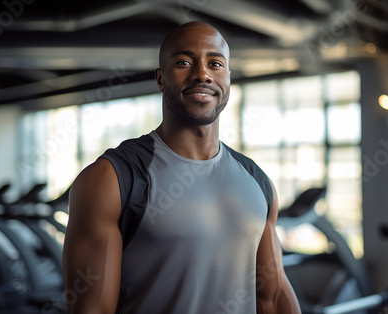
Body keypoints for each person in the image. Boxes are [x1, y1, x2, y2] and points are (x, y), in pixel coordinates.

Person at [62, 21, 301, 314]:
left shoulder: (256, 180)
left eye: (215, 64)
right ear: (161, 79)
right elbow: (92, 309)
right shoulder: (112, 178)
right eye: (184, 62)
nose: (202, 74)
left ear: (228, 77)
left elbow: (272, 299)